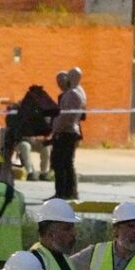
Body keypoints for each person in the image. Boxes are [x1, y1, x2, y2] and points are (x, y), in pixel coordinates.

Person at [6, 84, 58, 181]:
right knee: (25, 146)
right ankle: (30, 172)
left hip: (39, 140)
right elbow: (14, 127)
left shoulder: (44, 110)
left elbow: (50, 128)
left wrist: (46, 137)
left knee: (46, 147)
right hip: (24, 140)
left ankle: (44, 172)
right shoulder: (20, 109)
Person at [50, 68, 85, 200]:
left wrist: (56, 128)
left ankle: (65, 192)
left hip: (66, 132)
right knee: (63, 163)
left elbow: (67, 116)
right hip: (66, 131)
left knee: (63, 163)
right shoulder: (75, 93)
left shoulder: (73, 94)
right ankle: (64, 192)